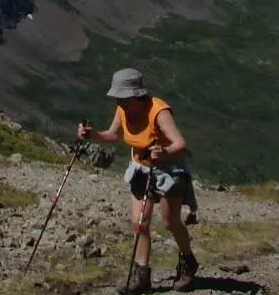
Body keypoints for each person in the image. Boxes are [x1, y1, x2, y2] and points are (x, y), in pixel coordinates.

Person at [77, 67, 199, 293]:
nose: (119, 101)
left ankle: (188, 261)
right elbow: (113, 135)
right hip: (141, 168)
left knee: (170, 222)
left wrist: (163, 152)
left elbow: (179, 144)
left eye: (122, 97)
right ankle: (141, 276)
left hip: (169, 170)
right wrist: (91, 135)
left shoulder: (158, 111)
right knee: (139, 222)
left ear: (136, 95)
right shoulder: (123, 110)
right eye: (117, 97)